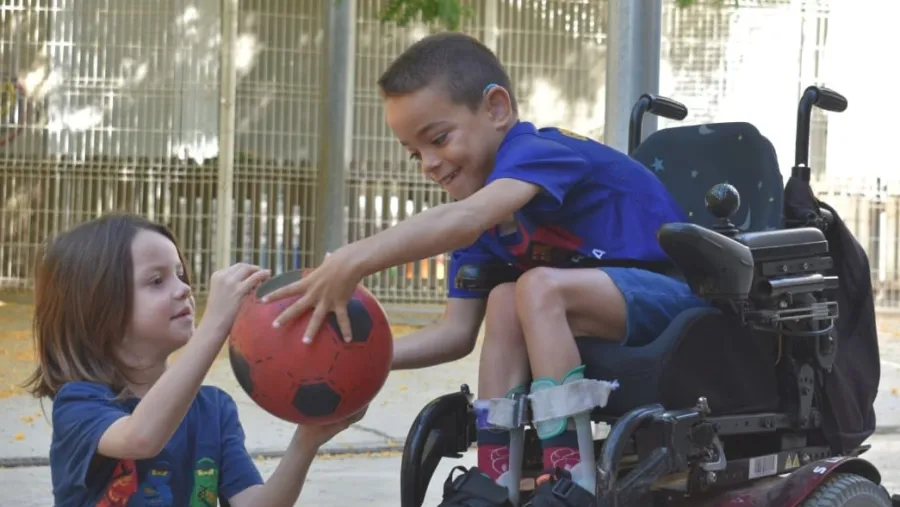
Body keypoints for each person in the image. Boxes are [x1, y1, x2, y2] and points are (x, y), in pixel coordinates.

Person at [261, 32, 709, 506]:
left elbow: (464, 220)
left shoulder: (539, 152)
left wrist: (353, 259)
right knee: (504, 298)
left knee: (535, 288)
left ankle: (571, 482)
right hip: (590, 310)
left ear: (496, 109)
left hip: (675, 300)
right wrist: (356, 357)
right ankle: (494, 483)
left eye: (438, 139)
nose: (429, 164)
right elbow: (455, 333)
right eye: (416, 154)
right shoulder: (481, 221)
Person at [23, 213, 363, 507]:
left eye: (180, 274)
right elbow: (140, 438)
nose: (184, 289)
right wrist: (215, 324)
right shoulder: (80, 405)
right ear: (98, 311)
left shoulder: (214, 410)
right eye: (156, 281)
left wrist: (307, 440)